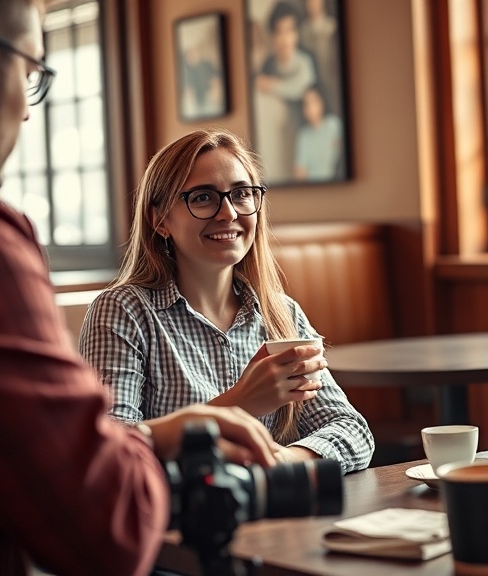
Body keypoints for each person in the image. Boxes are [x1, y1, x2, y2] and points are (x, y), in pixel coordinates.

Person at [0, 2, 280, 574]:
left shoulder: (275, 308)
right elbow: (104, 528)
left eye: (243, 193)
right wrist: (159, 440)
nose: (28, 110)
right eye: (31, 74)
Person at [78, 127, 374, 474]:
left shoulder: (282, 314)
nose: (229, 213)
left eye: (241, 194)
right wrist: (240, 402)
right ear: (160, 220)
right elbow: (109, 455)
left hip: (270, 503)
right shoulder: (122, 312)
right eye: (203, 197)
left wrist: (281, 463)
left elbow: (353, 430)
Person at [254, 0, 317, 181]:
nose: (285, 38)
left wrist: (273, 85)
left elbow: (301, 86)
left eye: (290, 31)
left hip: (302, 126)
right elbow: (259, 84)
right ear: (272, 36)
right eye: (279, 32)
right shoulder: (269, 63)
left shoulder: (305, 61)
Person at [294, 84, 343, 180]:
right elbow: (300, 170)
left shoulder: (334, 125)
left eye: (314, 102)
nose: (310, 108)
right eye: (306, 104)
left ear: (322, 102)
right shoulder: (303, 135)